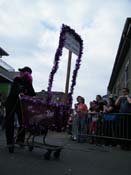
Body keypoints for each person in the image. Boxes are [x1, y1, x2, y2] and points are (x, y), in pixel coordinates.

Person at [5, 66, 36, 153]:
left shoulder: (29, 83)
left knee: (23, 122)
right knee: (9, 122)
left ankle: (20, 140)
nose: (20, 73)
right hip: (11, 102)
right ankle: (10, 141)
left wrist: (26, 91)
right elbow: (15, 90)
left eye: (22, 71)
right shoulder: (17, 80)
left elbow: (32, 93)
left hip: (21, 104)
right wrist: (20, 92)